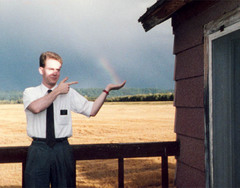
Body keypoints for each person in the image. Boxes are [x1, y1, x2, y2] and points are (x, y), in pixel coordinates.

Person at [23, 51, 126, 188]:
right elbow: (36, 108)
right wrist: (58, 91)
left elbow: (91, 110)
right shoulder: (30, 92)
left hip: (62, 149)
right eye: (51, 69)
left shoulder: (69, 93)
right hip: (38, 150)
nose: (55, 73)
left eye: (58, 70)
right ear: (41, 70)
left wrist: (107, 90)